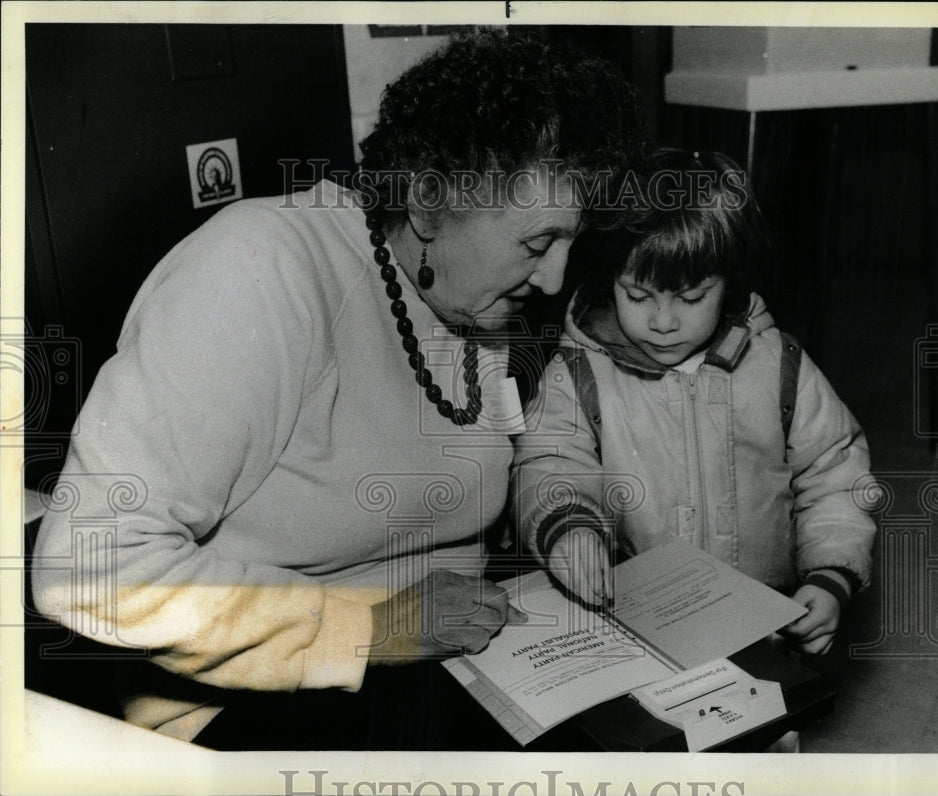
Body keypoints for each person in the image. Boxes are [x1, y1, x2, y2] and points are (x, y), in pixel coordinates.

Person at [30, 30, 642, 750]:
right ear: (427, 202)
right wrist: (373, 628)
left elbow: (514, 449)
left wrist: (562, 518)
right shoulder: (259, 271)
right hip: (253, 705)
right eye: (538, 244)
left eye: (568, 244)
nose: (554, 280)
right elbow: (91, 566)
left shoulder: (475, 295)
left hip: (455, 668)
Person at [511, 148, 877, 659]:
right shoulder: (579, 372)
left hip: (765, 618)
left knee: (768, 727)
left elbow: (835, 475)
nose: (663, 322)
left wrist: (831, 574)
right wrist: (566, 527)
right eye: (638, 297)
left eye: (690, 298)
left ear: (728, 283)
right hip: (638, 620)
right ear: (607, 279)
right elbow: (551, 461)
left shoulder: (778, 365)